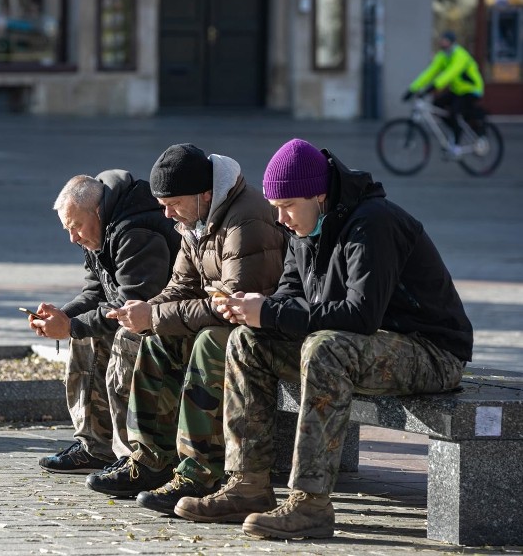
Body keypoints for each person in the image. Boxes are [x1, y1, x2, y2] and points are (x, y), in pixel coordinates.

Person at [173, 138, 473, 539]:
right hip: (366, 346)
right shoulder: (304, 230)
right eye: (275, 208)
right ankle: (248, 485)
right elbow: (289, 297)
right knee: (247, 341)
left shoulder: (374, 223)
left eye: (288, 206)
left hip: (430, 351)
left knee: (324, 347)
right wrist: (255, 307)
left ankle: (310, 502)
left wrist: (271, 311)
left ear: (320, 193)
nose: (281, 219)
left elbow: (360, 316)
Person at [86, 143, 285, 515]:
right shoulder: (193, 220)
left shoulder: (247, 219)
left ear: (204, 195)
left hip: (261, 326)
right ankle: (151, 460)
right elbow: (182, 286)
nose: (165, 212)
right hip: (227, 315)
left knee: (208, 341)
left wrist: (156, 316)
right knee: (155, 336)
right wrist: (147, 311)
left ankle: (199, 472)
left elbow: (232, 304)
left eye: (172, 202)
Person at [30, 171, 180, 474]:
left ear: (96, 212)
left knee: (113, 335)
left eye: (76, 227)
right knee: (85, 331)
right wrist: (63, 317)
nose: (73, 238)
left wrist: (70, 327)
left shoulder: (135, 230)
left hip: (165, 323)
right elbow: (96, 291)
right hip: (139, 317)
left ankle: (132, 457)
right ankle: (94, 447)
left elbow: (133, 304)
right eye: (67, 229)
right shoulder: (100, 229)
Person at [403, 30, 485, 150]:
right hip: (458, 90)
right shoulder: (443, 56)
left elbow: (449, 74)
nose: (442, 42)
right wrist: (412, 89)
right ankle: (454, 128)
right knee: (437, 104)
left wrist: (432, 88)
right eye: (442, 40)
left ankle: (457, 140)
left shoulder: (460, 55)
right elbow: (429, 72)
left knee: (454, 111)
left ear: (452, 42)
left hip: (472, 90)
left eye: (445, 40)